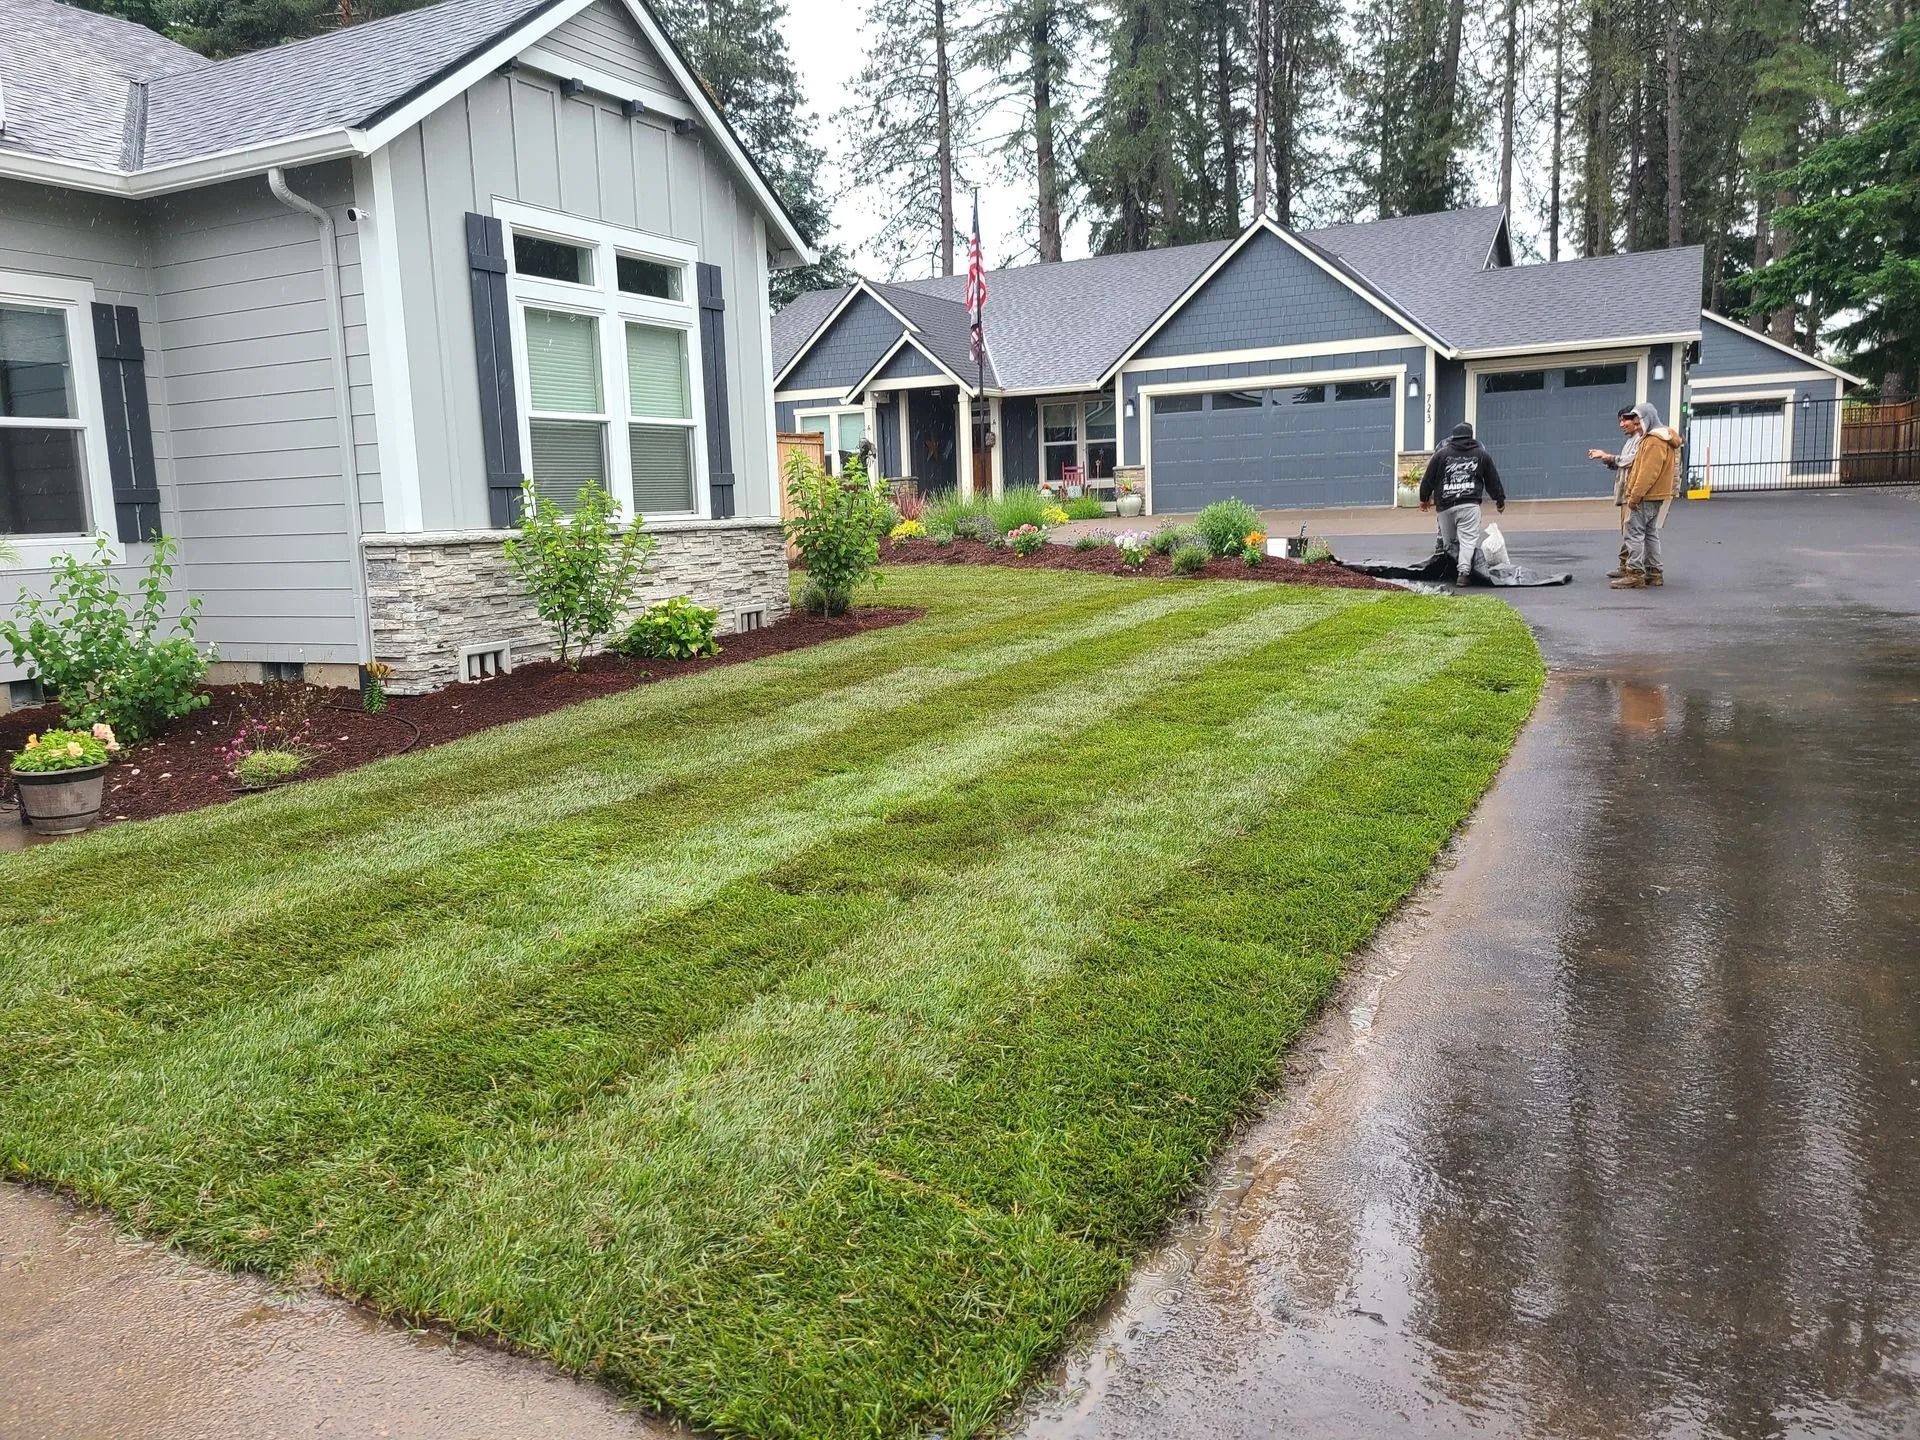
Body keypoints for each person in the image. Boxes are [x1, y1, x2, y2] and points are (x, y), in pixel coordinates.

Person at [1420, 421, 1507, 586]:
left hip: (1445, 506)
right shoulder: (1481, 454)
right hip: (1469, 504)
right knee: (1467, 540)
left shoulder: (1441, 455)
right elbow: (1492, 479)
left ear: (1453, 436)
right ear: (1471, 435)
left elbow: (1428, 478)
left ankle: (1452, 570)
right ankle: (1463, 573)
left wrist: (1424, 499)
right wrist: (1499, 500)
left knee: (1450, 542)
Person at [1606, 401, 1681, 589]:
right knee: (1650, 534)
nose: (1636, 427)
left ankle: (1635, 573)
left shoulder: (1654, 441)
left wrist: (1634, 497)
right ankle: (1654, 572)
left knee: (1635, 535)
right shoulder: (1663, 438)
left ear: (1648, 420)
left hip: (1645, 497)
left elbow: (1647, 473)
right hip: (1656, 496)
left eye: (1638, 422)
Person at [1588, 405, 1644, 578]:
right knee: (1627, 532)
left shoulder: (1641, 439)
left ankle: (1634, 571)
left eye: (1625, 420)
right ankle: (1625, 565)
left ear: (1636, 419)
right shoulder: (1630, 440)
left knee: (1633, 533)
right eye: (1620, 420)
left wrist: (1608, 456)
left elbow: (1632, 461)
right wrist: (1607, 460)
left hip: (1633, 493)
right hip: (1625, 493)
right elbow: (1622, 465)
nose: (1621, 424)